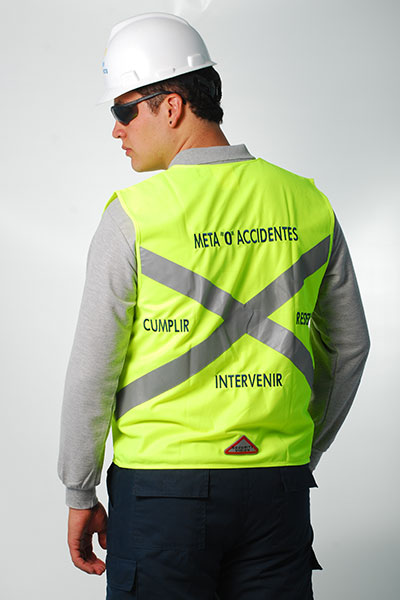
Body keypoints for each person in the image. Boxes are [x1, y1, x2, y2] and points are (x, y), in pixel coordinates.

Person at [58, 12, 370, 599]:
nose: (117, 131)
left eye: (123, 111)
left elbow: (93, 369)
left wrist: (79, 489)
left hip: (162, 493)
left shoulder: (133, 217)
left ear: (171, 106)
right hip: (277, 490)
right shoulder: (308, 203)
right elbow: (350, 346)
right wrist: (300, 450)